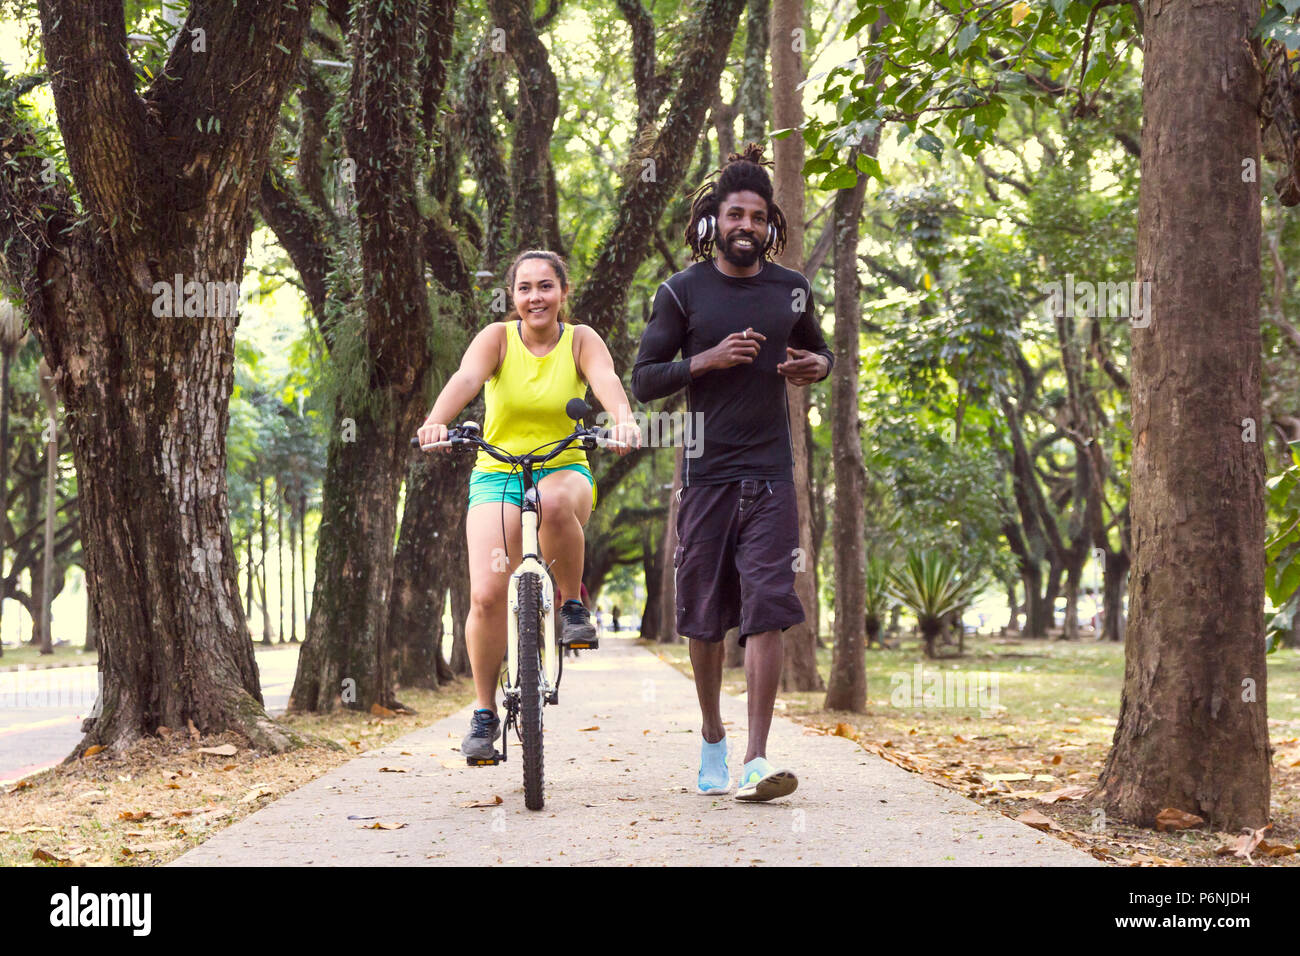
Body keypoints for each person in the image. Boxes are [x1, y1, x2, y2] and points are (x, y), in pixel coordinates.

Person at [631, 143, 833, 802]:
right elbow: (643, 380)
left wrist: (816, 368)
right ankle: (713, 737)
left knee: (768, 608)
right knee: (702, 618)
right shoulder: (681, 293)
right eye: (734, 214)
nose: (746, 225)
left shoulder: (792, 288)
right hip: (706, 473)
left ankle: (756, 758)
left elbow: (822, 353)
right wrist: (706, 360)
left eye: (757, 216)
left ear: (771, 225)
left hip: (772, 471)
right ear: (714, 222)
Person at [418, 250, 641, 760]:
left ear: (563, 292)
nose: (535, 297)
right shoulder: (496, 338)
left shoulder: (581, 339)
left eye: (545, 286)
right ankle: (483, 713)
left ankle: (571, 605)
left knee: (551, 501)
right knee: (487, 595)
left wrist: (622, 417)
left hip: (563, 469)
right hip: (497, 472)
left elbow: (605, 379)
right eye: (524, 288)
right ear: (513, 296)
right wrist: (436, 420)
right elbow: (467, 379)